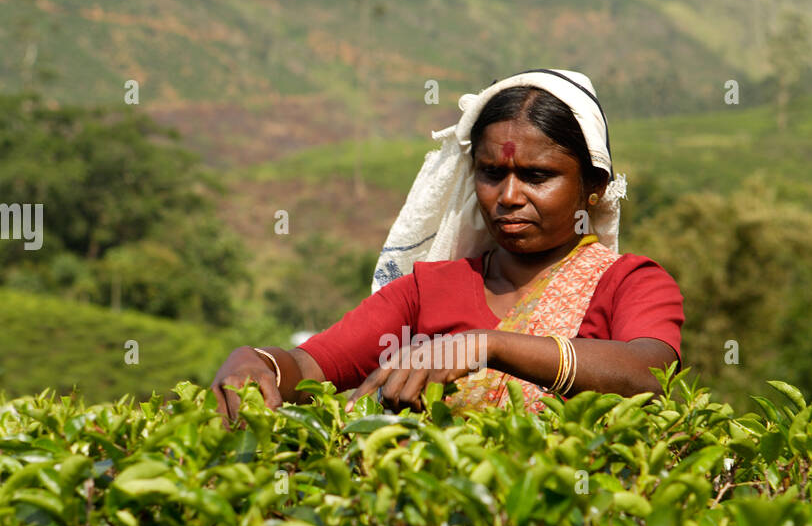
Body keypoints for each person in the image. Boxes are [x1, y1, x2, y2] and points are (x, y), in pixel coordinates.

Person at [211, 68, 684, 424]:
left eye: (538, 176)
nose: (509, 196)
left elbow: (647, 375)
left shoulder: (629, 283)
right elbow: (309, 366)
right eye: (492, 173)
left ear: (594, 185)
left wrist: (486, 345)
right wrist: (258, 361)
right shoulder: (428, 290)